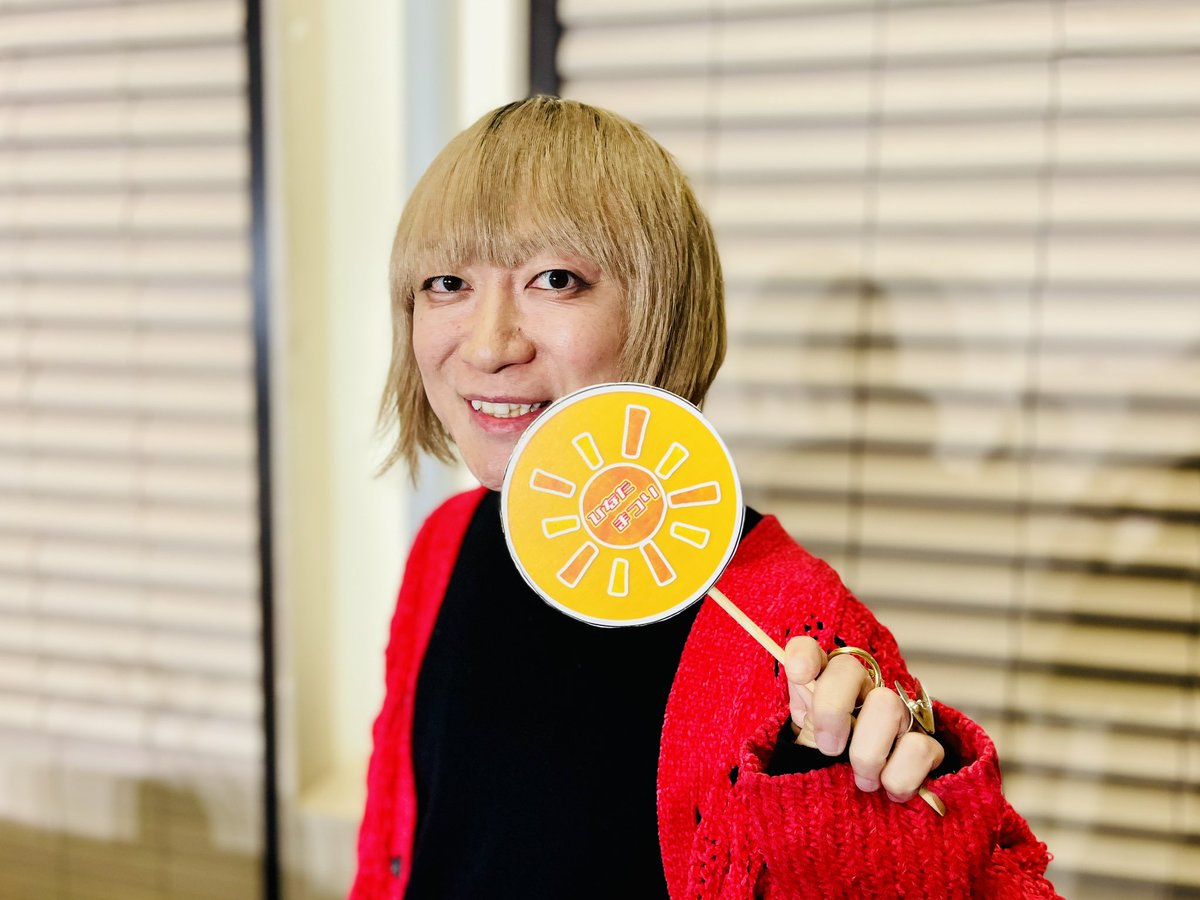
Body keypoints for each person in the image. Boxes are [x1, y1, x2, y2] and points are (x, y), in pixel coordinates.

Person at [352, 96, 1059, 899]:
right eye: (447, 283)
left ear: (662, 308)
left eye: (556, 279)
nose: (488, 346)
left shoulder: (792, 626)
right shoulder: (447, 542)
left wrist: (879, 808)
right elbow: (391, 857)